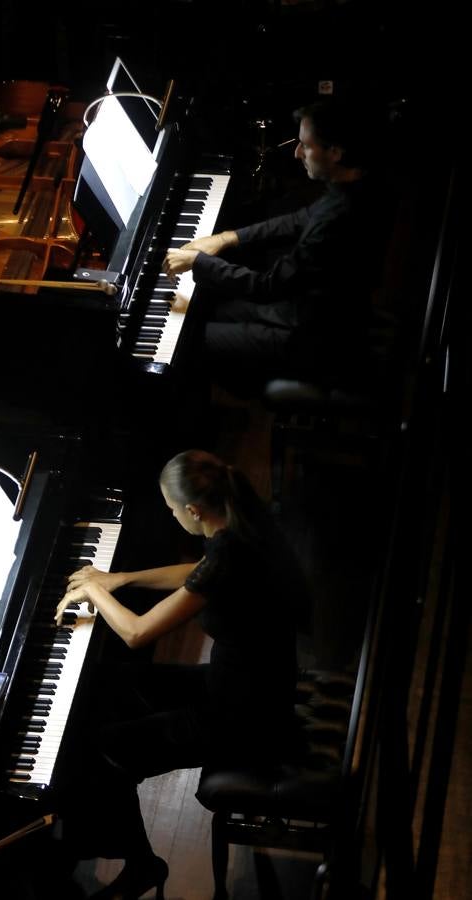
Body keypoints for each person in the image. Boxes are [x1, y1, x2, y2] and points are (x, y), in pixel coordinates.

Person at [53, 449, 307, 899]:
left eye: (171, 509)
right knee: (111, 682)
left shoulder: (229, 551)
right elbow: (199, 574)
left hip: (241, 717)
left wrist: (95, 590)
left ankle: (141, 865)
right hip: (247, 684)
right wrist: (120, 579)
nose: (171, 516)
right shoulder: (244, 526)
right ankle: (87, 816)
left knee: (104, 748)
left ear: (193, 509)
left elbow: (136, 633)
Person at [162, 95, 394, 396]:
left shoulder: (337, 222)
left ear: (335, 152)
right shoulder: (358, 184)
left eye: (306, 145)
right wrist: (227, 237)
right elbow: (299, 219)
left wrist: (198, 262)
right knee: (211, 310)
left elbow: (267, 287)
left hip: (316, 337)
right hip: (321, 309)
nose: (297, 153)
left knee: (187, 341)